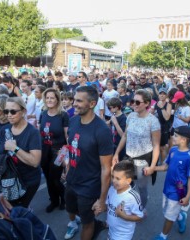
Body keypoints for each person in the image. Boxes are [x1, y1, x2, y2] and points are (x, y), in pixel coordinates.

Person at [64, 86, 113, 240]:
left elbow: (106, 168)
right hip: (71, 180)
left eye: (79, 101)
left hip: (89, 186)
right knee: (70, 209)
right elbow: (71, 147)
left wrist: (102, 200)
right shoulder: (72, 121)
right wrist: (66, 168)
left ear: (92, 104)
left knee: (87, 222)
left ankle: (95, 226)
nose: (74, 104)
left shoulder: (102, 130)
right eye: (74, 100)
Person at [0, 97, 42, 208]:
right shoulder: (4, 130)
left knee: (18, 210)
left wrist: (15, 148)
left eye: (13, 111)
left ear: (23, 112)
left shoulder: (33, 133)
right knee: (8, 209)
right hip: (7, 178)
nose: (9, 115)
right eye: (6, 111)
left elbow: (35, 162)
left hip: (27, 181)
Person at [113, 89, 161, 210]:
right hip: (128, 157)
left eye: (137, 102)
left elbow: (156, 146)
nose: (133, 104)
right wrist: (117, 153)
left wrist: (152, 167)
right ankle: (127, 205)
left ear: (146, 103)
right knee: (126, 184)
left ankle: (141, 208)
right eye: (132, 101)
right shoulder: (131, 116)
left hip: (143, 161)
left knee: (142, 188)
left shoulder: (153, 121)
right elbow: (125, 135)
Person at [153, 126, 190, 240]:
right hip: (167, 186)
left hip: (179, 189)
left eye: (176, 135)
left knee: (169, 215)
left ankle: (163, 236)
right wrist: (152, 168)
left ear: (184, 139)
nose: (173, 137)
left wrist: (187, 196)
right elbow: (165, 166)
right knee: (167, 210)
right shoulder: (173, 150)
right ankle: (181, 217)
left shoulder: (189, 157)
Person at [39, 88, 69, 213]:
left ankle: (64, 198)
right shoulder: (43, 113)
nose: (49, 100)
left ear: (57, 99)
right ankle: (54, 201)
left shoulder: (63, 115)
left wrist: (67, 156)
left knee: (55, 178)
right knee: (48, 177)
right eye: (47, 98)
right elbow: (40, 132)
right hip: (45, 150)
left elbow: (67, 136)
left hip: (59, 151)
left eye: (52, 97)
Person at [106, 160, 144, 240]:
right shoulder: (111, 189)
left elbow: (140, 216)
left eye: (118, 178)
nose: (114, 181)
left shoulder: (132, 197)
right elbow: (109, 206)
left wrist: (124, 216)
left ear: (128, 181)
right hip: (111, 231)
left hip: (123, 235)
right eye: (113, 176)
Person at [154, 87, 172, 164]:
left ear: (166, 95)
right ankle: (156, 161)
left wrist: (162, 108)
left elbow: (167, 117)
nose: (162, 95)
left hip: (164, 128)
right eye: (160, 94)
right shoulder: (155, 104)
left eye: (164, 94)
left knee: (162, 148)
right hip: (155, 128)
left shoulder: (168, 105)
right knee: (155, 146)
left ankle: (163, 163)